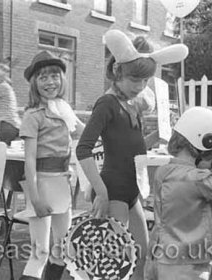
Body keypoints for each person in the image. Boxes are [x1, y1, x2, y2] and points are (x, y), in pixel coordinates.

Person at [76, 29, 188, 280]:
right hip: (114, 189)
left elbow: (130, 148)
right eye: (135, 80)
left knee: (142, 254)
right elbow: (83, 149)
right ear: (118, 73)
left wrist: (156, 135)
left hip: (132, 190)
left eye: (145, 81)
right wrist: (101, 192)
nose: (140, 87)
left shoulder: (130, 104)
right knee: (118, 262)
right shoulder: (107, 104)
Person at [18, 50, 84, 280]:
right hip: (41, 184)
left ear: (62, 79)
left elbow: (87, 134)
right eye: (43, 77)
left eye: (54, 75)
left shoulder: (64, 110)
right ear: (34, 83)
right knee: (40, 251)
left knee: (63, 249)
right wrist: (35, 198)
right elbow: (29, 159)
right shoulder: (32, 115)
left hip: (62, 182)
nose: (50, 82)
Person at [144, 106, 212, 280]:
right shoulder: (199, 179)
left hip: (159, 259)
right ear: (203, 145)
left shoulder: (163, 171)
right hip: (187, 266)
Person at [0, 63, 21, 146]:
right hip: (11, 124)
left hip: (7, 124)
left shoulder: (3, 87)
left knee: (1, 151)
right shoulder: (5, 86)